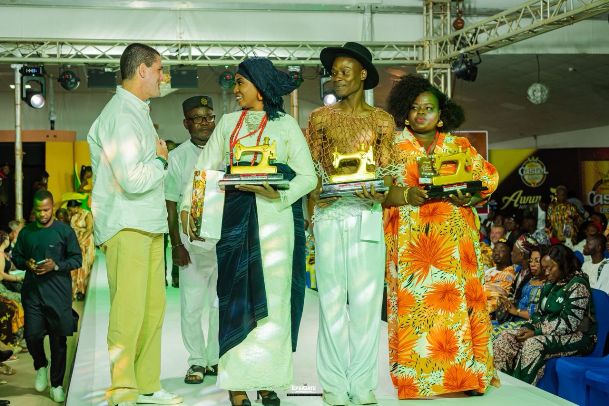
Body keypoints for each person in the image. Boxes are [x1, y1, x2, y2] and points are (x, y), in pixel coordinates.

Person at [181, 57, 316, 406]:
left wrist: (278, 193)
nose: (235, 89)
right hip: (235, 223)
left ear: (260, 86)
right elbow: (203, 170)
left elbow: (308, 177)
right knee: (236, 301)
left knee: (274, 303)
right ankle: (237, 384)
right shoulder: (228, 124)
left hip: (277, 226)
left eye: (241, 82)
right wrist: (188, 208)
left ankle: (269, 381)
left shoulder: (286, 126)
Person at [383, 74, 499, 398]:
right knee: (416, 313)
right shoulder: (392, 149)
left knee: (461, 307)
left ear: (441, 114)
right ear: (405, 113)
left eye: (429, 108)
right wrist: (405, 194)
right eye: (415, 107)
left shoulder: (459, 146)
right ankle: (419, 381)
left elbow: (487, 178)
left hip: (454, 242)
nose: (421, 113)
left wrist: (470, 197)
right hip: (412, 245)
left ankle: (470, 377)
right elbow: (379, 190)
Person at [88, 43, 182, 406]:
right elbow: (132, 179)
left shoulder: (137, 111)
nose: (163, 77)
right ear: (142, 70)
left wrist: (158, 161)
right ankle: (123, 390)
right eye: (159, 70)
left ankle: (146, 384)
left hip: (148, 224)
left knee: (152, 310)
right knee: (128, 313)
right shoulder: (121, 115)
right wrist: (161, 161)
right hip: (127, 224)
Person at [306, 41, 396, 406]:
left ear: (363, 74)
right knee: (330, 302)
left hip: (366, 215)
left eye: (345, 72)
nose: (337, 78)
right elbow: (312, 170)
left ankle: (362, 384)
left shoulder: (382, 121)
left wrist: (380, 190)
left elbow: (387, 173)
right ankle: (332, 384)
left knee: (366, 305)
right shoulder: (319, 118)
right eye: (334, 73)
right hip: (329, 216)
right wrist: (316, 195)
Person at [165, 95, 219, 385]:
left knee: (220, 305)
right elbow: (171, 204)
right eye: (197, 118)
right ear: (186, 124)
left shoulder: (226, 151)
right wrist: (176, 245)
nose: (204, 123)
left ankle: (216, 358)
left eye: (209, 117)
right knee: (192, 306)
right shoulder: (177, 157)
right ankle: (197, 360)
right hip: (192, 245)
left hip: (223, 242)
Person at [11, 190, 81, 403]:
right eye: (39, 210)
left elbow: (77, 259)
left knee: (58, 340)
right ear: (34, 209)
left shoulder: (64, 231)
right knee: (32, 336)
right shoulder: (27, 233)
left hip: (58, 294)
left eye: (46, 210)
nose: (42, 214)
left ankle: (57, 384)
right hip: (32, 293)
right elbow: (17, 257)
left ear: (53, 208)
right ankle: (41, 364)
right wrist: (27, 263)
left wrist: (56, 265)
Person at [493, 244, 596, 385]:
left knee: (533, 344)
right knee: (507, 337)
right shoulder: (550, 283)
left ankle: (522, 390)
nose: (546, 272)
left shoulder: (578, 285)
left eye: (550, 268)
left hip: (579, 336)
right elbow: (538, 314)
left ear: (563, 265)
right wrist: (528, 327)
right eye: (544, 268)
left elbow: (568, 324)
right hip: (548, 329)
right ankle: (502, 384)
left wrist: (536, 332)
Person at [492, 246, 546, 339]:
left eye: (537, 261)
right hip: (514, 319)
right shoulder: (530, 279)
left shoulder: (545, 285)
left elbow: (535, 315)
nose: (532, 264)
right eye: (531, 261)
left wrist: (516, 311)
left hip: (526, 324)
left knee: (490, 334)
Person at [67, 200, 94, 301]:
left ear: (76, 207)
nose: (70, 212)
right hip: (76, 241)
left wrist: (81, 241)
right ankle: (74, 290)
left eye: (71, 210)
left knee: (83, 266)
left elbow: (89, 229)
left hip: (85, 241)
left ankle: (82, 291)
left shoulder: (87, 214)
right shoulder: (73, 216)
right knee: (75, 266)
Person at [485, 240, 516, 316]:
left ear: (509, 254)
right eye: (495, 250)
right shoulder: (489, 270)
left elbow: (499, 295)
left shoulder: (509, 273)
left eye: (502, 250)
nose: (497, 253)